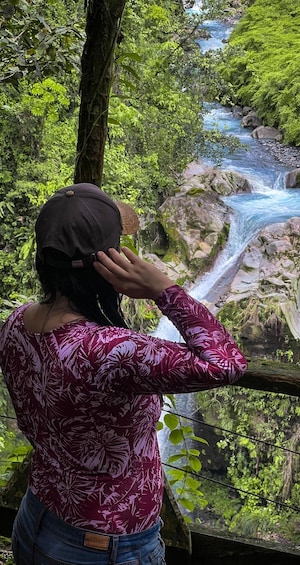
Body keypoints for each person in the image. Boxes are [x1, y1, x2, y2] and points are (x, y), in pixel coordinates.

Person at [0, 183, 247, 565]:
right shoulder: (111, 351)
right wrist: (164, 289)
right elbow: (226, 362)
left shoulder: (16, 324)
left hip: (36, 520)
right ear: (110, 266)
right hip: (104, 546)